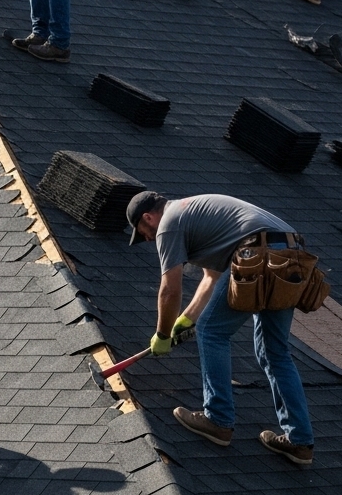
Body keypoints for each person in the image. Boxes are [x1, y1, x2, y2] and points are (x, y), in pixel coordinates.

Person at [127, 191, 314, 466]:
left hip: (258, 253)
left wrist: (163, 334)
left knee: (212, 333)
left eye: (142, 231)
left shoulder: (169, 224)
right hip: (291, 253)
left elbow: (170, 290)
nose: (146, 238)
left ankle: (217, 420)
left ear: (148, 217)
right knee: (275, 352)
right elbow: (212, 278)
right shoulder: (196, 216)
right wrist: (186, 319)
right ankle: (300, 442)